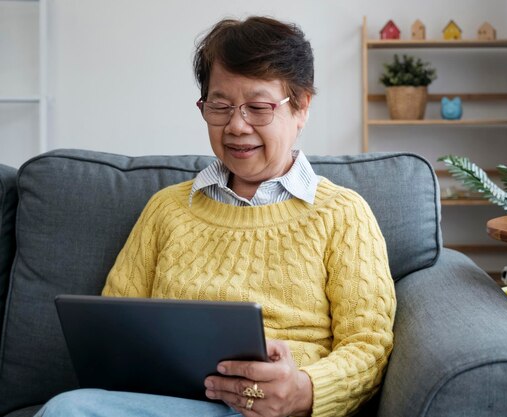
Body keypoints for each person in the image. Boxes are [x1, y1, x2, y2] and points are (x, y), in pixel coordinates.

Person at [36, 16, 396, 417]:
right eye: (220, 106)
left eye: (258, 108)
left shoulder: (342, 214)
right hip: (162, 404)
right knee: (68, 409)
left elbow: (369, 345)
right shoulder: (167, 209)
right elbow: (110, 331)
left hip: (270, 411)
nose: (236, 126)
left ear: (301, 107)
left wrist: (305, 390)